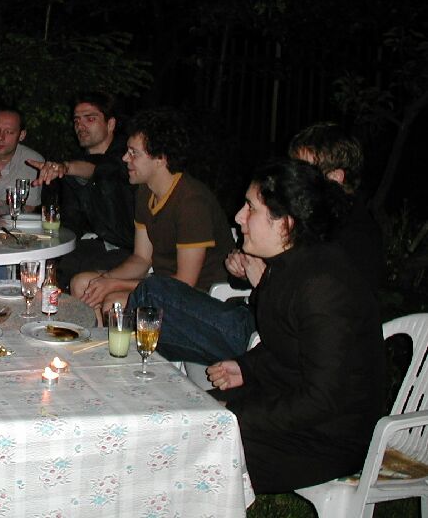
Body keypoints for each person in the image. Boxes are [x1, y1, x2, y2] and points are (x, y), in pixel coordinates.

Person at [127, 122, 384, 365]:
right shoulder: (305, 218)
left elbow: (309, 318)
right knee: (151, 325)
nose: (290, 176)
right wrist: (242, 269)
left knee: (153, 295)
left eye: (302, 169)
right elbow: (272, 275)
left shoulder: (350, 237)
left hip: (271, 337)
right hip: (254, 317)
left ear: (335, 178)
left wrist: (264, 281)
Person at [206, 158, 385, 493]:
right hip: (292, 406)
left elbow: (322, 398)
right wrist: (245, 367)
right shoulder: (290, 266)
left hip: (327, 439)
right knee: (185, 414)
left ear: (285, 224)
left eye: (250, 208)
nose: (239, 217)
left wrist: (234, 412)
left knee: (197, 445)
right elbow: (289, 346)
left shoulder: (323, 285)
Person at [71, 108, 233, 317]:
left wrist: (114, 284)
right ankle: (95, 339)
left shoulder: (192, 202)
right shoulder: (146, 191)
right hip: (160, 282)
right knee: (83, 284)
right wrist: (104, 280)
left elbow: (185, 282)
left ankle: (110, 338)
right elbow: (141, 258)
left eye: (133, 153)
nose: (125, 158)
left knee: (115, 303)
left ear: (160, 158)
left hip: (201, 296)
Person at [29, 91, 135, 291]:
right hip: (87, 248)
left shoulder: (128, 160)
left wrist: (67, 168)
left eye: (90, 119)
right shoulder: (73, 166)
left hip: (126, 251)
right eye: (77, 120)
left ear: (110, 124)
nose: (80, 125)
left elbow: (101, 170)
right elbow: (68, 221)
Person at [0, 107, 43, 209]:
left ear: (21, 135)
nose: (1, 137)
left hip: (11, 219)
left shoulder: (32, 161)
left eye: (9, 132)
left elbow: (29, 207)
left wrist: (0, 206)